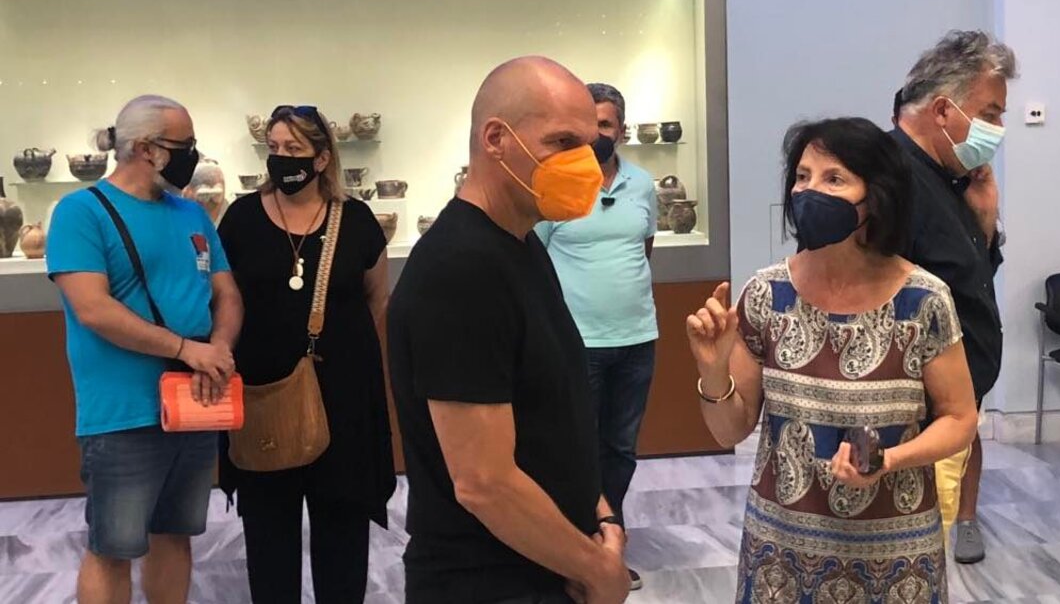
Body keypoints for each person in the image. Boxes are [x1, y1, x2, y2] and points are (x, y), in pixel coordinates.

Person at [687, 117, 978, 602]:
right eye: (802, 176)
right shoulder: (766, 294)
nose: (809, 191)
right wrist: (713, 372)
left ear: (876, 197)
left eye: (834, 179)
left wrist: (889, 460)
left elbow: (960, 418)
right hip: (782, 553)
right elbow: (728, 431)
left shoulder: (924, 300)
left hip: (897, 556)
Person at [388, 56, 630, 604]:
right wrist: (598, 570)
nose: (586, 165)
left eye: (590, 146)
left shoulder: (521, 243)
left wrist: (598, 513)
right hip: (488, 581)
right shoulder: (461, 268)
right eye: (563, 142)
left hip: (547, 565)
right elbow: (484, 483)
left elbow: (550, 410)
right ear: (496, 139)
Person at [45, 94, 243, 604]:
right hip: (122, 414)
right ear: (145, 148)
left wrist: (218, 349)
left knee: (175, 535)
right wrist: (186, 348)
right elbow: (93, 308)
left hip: (193, 404)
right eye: (184, 145)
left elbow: (226, 293)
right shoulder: (81, 213)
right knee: (113, 547)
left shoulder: (192, 214)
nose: (192, 155)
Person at [216, 105, 396, 603]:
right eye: (274, 147)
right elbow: (225, 296)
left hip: (342, 398)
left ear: (321, 158)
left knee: (342, 528)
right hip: (264, 394)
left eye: (293, 149)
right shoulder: (242, 219)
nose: (281, 158)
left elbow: (376, 298)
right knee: (268, 531)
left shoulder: (355, 219)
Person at [893, 30, 1016, 563]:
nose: (998, 130)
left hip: (949, 415)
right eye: (990, 114)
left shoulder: (951, 177)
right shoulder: (892, 182)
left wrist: (984, 221)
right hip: (911, 427)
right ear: (944, 110)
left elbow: (967, 279)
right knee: (904, 566)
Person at [533, 82, 657, 591]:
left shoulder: (642, 185)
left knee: (620, 449)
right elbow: (535, 259)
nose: (596, 135)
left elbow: (644, 248)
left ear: (621, 130)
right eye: (587, 126)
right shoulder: (556, 186)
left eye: (604, 125)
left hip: (637, 338)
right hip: (575, 343)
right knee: (575, 449)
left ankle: (611, 544)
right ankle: (577, 553)